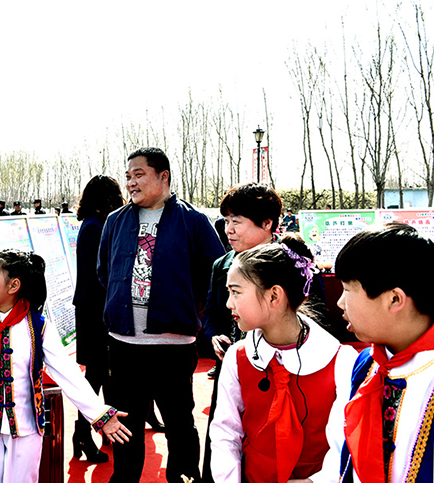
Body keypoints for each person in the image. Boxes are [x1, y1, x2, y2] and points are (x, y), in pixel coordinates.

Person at [0, 249, 131, 482]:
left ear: (13, 285)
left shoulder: (39, 327)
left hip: (26, 429)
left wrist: (100, 414)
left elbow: (67, 373)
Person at [97, 147, 225, 483]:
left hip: (173, 345)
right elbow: (104, 272)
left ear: (163, 176)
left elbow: (216, 274)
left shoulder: (193, 221)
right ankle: (125, 478)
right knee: (126, 423)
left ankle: (184, 477)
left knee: (179, 422)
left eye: (139, 175)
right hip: (124, 344)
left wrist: (189, 308)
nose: (131, 183)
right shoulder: (115, 221)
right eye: (128, 176)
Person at [208, 237, 357, 483]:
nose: (228, 303)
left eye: (236, 292)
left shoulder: (340, 360)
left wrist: (316, 481)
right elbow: (225, 432)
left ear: (274, 295)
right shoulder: (237, 357)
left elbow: (347, 438)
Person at [313, 223, 434, 483]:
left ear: (394, 299)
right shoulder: (366, 364)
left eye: (347, 289)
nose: (340, 302)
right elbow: (341, 446)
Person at [199, 183, 283, 482]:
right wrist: (213, 336)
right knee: (224, 442)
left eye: (237, 221)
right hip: (231, 372)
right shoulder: (221, 265)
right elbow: (210, 314)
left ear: (267, 224)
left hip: (279, 376)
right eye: (226, 221)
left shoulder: (290, 264)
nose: (229, 230)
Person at [72, 175, 125, 463]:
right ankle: (82, 433)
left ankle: (100, 430)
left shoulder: (94, 224)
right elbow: (99, 276)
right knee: (95, 376)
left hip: (94, 309)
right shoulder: (94, 227)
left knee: (102, 375)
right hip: (95, 311)